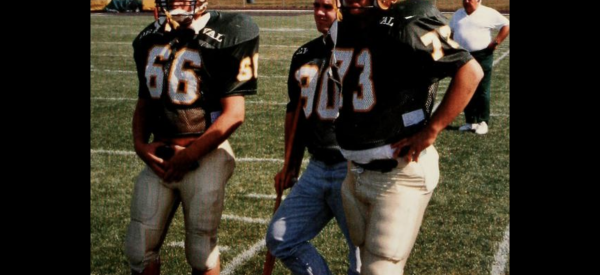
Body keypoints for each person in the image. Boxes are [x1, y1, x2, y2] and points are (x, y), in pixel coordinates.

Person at [329, 0, 483, 274]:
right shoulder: (341, 29)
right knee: (366, 260)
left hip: (399, 173)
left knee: (381, 268)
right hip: (355, 173)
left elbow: (470, 71)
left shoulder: (406, 22)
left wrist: (431, 130)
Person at [124, 0, 259, 274]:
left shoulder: (229, 32)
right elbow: (144, 104)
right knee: (138, 248)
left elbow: (234, 114)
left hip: (205, 154)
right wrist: (140, 145)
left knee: (201, 252)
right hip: (161, 157)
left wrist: (190, 155)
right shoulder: (149, 39)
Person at [264, 0, 361, 274]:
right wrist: (290, 163)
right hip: (318, 165)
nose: (320, 12)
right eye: (316, 5)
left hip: (352, 166)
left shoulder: (361, 48)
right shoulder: (304, 53)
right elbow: (295, 112)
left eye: (327, 6)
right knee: (281, 237)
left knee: (361, 254)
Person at [450, 0, 509, 135]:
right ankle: (471, 121)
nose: (466, 1)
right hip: (463, 56)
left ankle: (483, 121)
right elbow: (451, 33)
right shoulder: (458, 14)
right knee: (465, 88)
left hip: (483, 56)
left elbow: (506, 25)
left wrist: (496, 41)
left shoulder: (488, 12)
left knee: (482, 89)